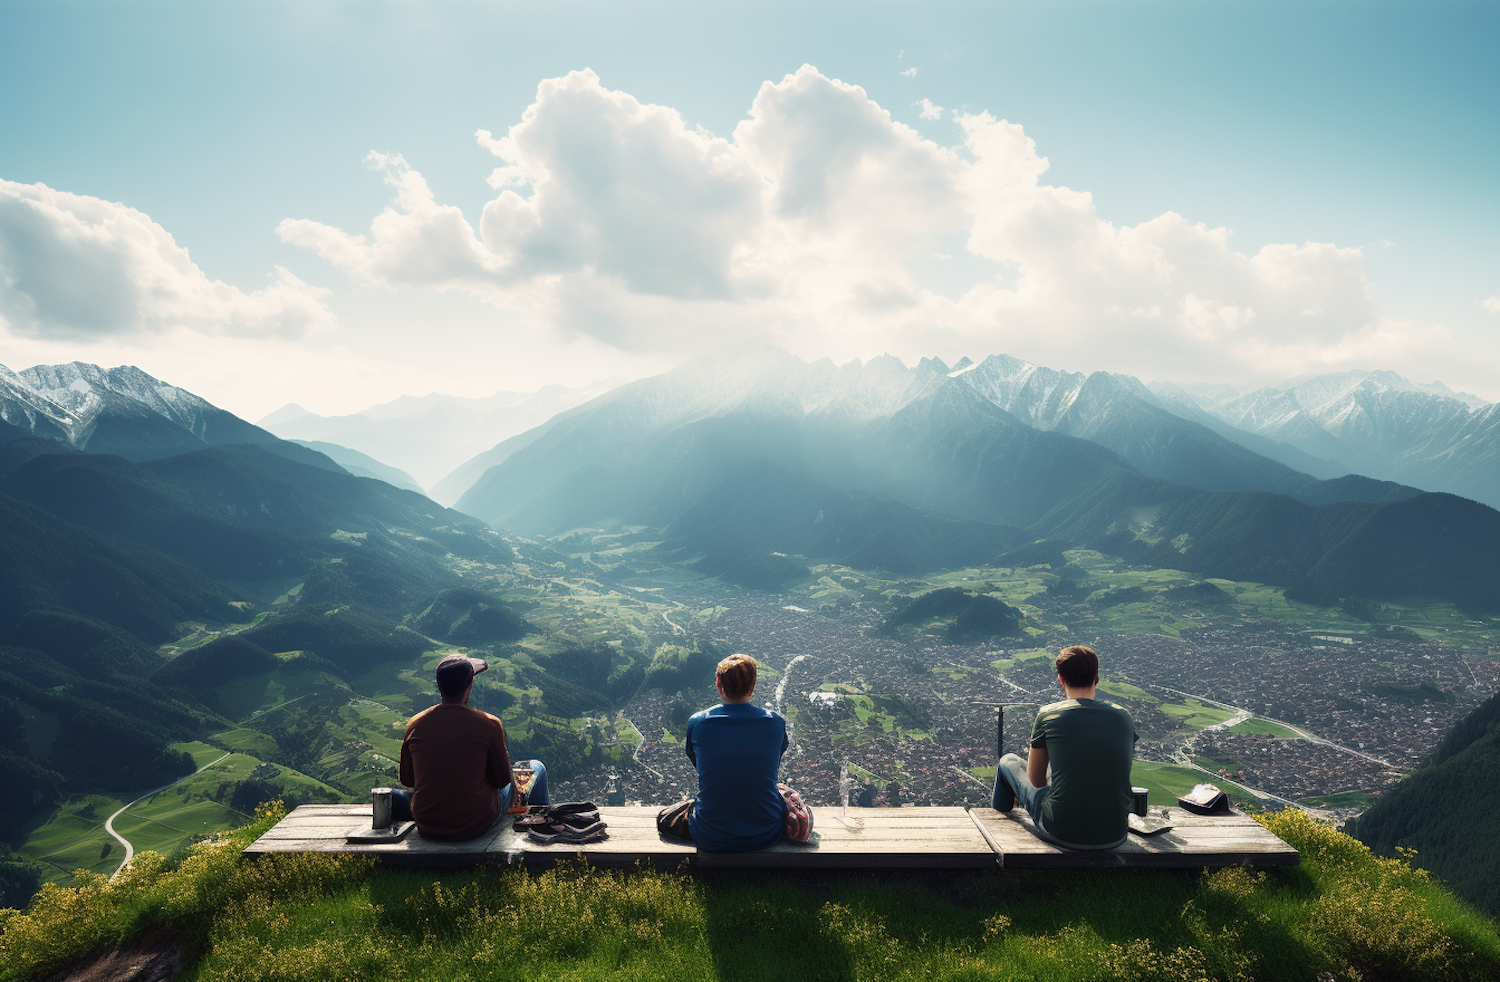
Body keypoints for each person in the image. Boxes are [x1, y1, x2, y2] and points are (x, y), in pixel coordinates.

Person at [992, 644, 1137, 849]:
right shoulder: (1124, 717)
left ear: (1060, 679)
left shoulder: (1048, 715)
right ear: (1097, 677)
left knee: (1008, 761)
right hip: (1116, 832)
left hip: (1061, 830)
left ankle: (998, 816)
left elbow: (1036, 780)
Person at [392, 653, 549, 840]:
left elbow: (408, 780)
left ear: (438, 685)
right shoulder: (489, 723)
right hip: (475, 824)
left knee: (395, 796)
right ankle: (542, 830)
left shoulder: (415, 724)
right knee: (537, 768)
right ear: (470, 684)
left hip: (428, 824)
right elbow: (502, 780)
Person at [656, 654, 790, 852]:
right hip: (766, 832)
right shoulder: (776, 723)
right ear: (753, 685)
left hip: (710, 834)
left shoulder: (698, 722)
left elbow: (696, 760)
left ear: (718, 683)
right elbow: (773, 759)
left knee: (665, 817)